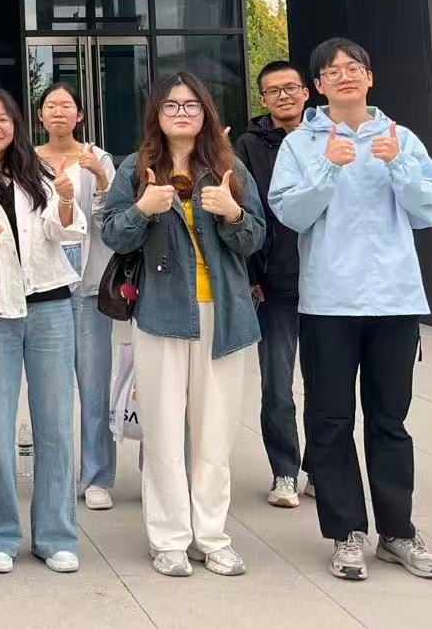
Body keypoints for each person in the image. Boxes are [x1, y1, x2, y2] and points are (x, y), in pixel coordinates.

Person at [269, 38, 432, 582]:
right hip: (329, 302)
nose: (345, 76)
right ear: (318, 86)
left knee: (390, 420)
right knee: (330, 421)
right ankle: (346, 532)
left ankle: (397, 532)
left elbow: (431, 210)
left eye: (354, 68)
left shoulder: (401, 138)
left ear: (369, 77)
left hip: (395, 300)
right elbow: (291, 215)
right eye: (332, 71)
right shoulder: (300, 144)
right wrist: (327, 169)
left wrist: (399, 166)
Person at [102, 73, 265, 578]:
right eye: (171, 105)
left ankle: (212, 536)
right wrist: (143, 210)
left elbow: (256, 238)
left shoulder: (227, 165)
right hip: (161, 314)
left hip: (223, 315)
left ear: (205, 112)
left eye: (191, 105)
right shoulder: (136, 168)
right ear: (157, 113)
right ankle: (169, 539)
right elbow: (113, 234)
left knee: (215, 435)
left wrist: (233, 213)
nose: (181, 113)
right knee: (164, 433)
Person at [0, 86, 85, 576]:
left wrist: (66, 200)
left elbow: (63, 231)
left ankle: (56, 535)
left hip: (51, 306)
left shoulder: (41, 172)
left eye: (3, 119)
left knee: (56, 426)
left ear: (16, 125)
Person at [34, 82, 118, 512]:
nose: (58, 112)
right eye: (50, 106)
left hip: (88, 285)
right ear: (40, 116)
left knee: (94, 384)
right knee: (50, 389)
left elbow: (113, 220)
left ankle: (97, 475)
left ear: (80, 115)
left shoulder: (97, 157)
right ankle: (57, 474)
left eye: (66, 105)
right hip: (45, 287)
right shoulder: (28, 159)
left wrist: (100, 176)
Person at [235, 60, 310, 509]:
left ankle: (320, 467)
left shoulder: (325, 137)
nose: (284, 96)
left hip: (326, 283)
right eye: (274, 91)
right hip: (274, 284)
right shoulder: (249, 145)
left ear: (306, 93)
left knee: (326, 384)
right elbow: (244, 212)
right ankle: (285, 470)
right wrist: (252, 275)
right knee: (277, 385)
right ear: (263, 99)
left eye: (290, 88)